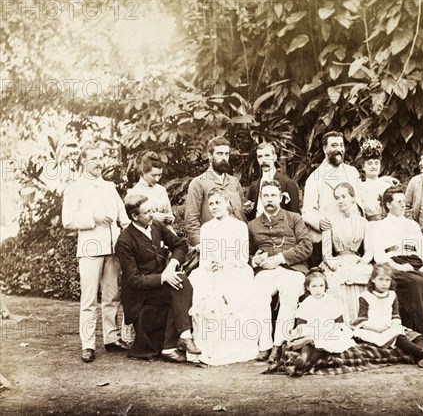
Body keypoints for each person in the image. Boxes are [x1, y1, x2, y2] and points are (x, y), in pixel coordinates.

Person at [187, 188, 272, 365]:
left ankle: (251, 345)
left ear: (227, 204)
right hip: (210, 272)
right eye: (211, 204)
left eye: (218, 202)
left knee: (246, 296)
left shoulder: (239, 226)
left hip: (234, 270)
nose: (214, 207)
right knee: (202, 294)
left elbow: (242, 258)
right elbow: (204, 259)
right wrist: (209, 265)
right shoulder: (206, 228)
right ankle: (208, 347)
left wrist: (224, 264)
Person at [62, 145, 130, 363]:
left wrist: (128, 238)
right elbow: (68, 220)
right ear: (83, 161)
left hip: (113, 248)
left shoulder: (109, 187)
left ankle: (111, 338)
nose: (99, 162)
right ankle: (88, 345)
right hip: (90, 247)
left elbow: (123, 215)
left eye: (101, 158)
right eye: (93, 158)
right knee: (89, 298)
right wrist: (93, 218)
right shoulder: (75, 187)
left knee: (112, 296)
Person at [115, 195, 200, 362]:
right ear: (134, 216)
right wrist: (163, 278)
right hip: (140, 295)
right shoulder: (124, 241)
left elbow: (180, 244)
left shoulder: (155, 226)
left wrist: (170, 267)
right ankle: (176, 341)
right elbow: (134, 280)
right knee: (180, 284)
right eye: (147, 212)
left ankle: (176, 341)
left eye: (152, 210)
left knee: (181, 282)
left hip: (159, 285)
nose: (152, 214)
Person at [248, 180, 313, 362]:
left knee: (290, 294)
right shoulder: (252, 225)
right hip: (265, 272)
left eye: (273, 196)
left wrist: (280, 258)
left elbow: (307, 246)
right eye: (266, 196)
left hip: (291, 269)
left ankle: (279, 344)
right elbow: (245, 253)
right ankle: (265, 346)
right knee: (258, 295)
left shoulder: (294, 218)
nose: (270, 200)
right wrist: (254, 260)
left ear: (281, 198)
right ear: (261, 198)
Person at [372, 185, 423, 347]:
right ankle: (419, 338)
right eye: (399, 201)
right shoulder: (380, 226)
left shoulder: (412, 225)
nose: (403, 204)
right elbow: (379, 255)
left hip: (416, 265)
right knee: (415, 283)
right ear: (388, 205)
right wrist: (397, 266)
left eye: (404, 201)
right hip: (394, 265)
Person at [353, 264, 423, 368]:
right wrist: (378, 328)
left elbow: (395, 315)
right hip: (372, 330)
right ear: (373, 279)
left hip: (388, 328)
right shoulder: (365, 297)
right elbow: (362, 321)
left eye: (387, 280)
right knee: (399, 338)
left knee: (418, 336)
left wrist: (395, 325)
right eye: (380, 279)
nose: (384, 283)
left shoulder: (392, 295)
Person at [302, 131, 363, 267]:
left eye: (341, 145)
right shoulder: (315, 178)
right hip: (327, 240)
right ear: (325, 149)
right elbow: (307, 211)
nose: (339, 149)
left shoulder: (352, 172)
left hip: (353, 239)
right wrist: (319, 222)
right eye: (334, 145)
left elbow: (360, 200)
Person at [285, 269, 356, 376]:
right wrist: (302, 332)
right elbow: (301, 320)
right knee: (309, 342)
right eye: (314, 286)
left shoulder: (331, 301)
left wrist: (342, 330)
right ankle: (302, 359)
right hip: (312, 328)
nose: (318, 290)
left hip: (328, 328)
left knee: (322, 344)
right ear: (308, 287)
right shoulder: (306, 302)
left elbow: (338, 319)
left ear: (325, 287)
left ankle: (305, 366)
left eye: (321, 286)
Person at [321, 182, 373, 324]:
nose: (340, 201)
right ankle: (343, 325)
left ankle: (363, 324)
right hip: (337, 262)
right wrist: (337, 266)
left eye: (343, 196)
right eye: (337, 198)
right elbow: (326, 254)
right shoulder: (329, 222)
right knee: (335, 279)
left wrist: (361, 263)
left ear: (353, 198)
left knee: (369, 276)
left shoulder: (363, 223)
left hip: (357, 262)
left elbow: (369, 252)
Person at [185, 136, 246, 249]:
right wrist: (199, 243)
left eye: (226, 154)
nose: (224, 158)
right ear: (209, 156)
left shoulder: (234, 182)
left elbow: (242, 211)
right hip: (214, 242)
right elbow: (191, 217)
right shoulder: (198, 183)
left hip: (238, 240)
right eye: (219, 153)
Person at [245, 142, 300, 221]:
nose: (264, 160)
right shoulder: (254, 186)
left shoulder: (288, 184)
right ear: (257, 159)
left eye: (267, 155)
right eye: (260, 156)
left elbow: (295, 217)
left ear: (274, 157)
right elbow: (250, 216)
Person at [126, 151, 174, 227]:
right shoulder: (134, 193)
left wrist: (169, 218)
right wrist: (152, 217)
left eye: (160, 175)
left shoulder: (161, 190)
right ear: (143, 172)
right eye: (154, 175)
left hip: (166, 233)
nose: (157, 179)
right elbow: (130, 223)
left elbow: (170, 214)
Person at [358, 139, 398, 222]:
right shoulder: (359, 187)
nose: (373, 166)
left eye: (376, 163)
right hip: (369, 226)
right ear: (363, 167)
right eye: (370, 163)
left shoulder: (387, 185)